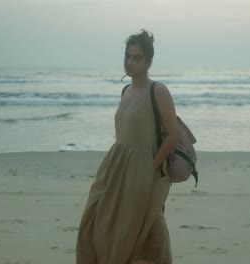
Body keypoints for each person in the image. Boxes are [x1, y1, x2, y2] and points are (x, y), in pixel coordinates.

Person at [76, 29, 178, 264]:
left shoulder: (158, 90)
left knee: (146, 230)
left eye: (137, 57)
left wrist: (149, 168)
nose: (130, 62)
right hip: (116, 168)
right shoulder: (126, 91)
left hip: (146, 172)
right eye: (128, 56)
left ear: (149, 61)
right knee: (95, 219)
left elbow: (172, 136)